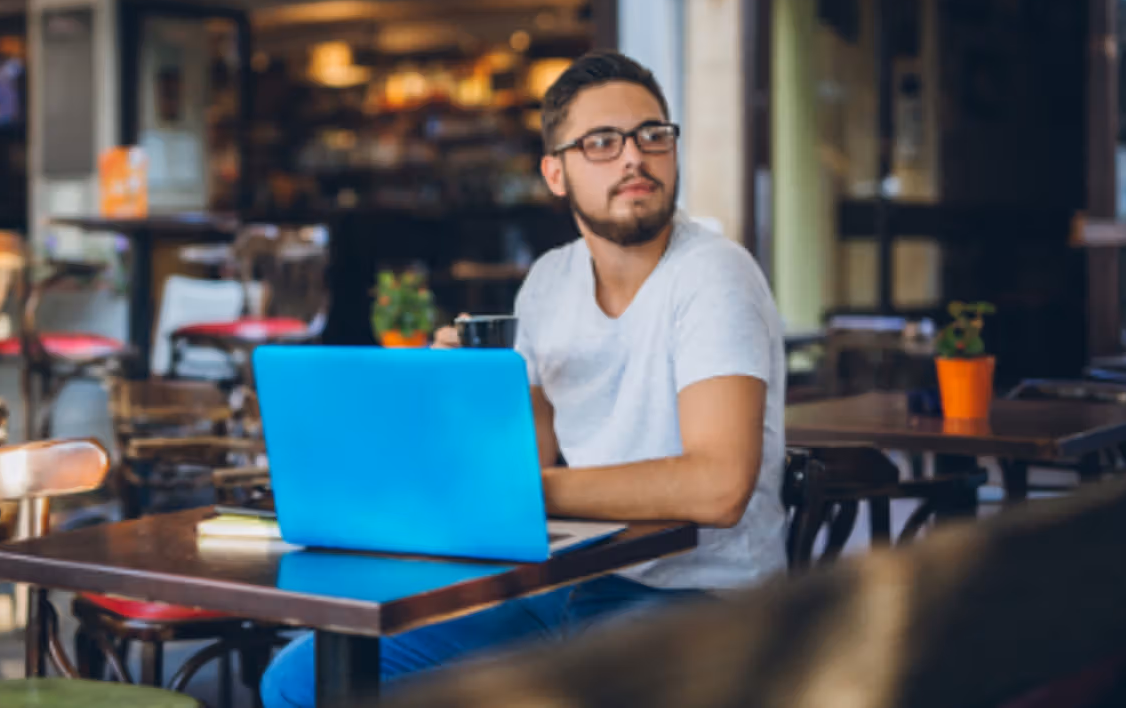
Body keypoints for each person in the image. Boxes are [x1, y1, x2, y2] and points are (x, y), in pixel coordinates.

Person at [260, 51, 786, 708]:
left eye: (653, 135)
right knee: (297, 679)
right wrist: (462, 396)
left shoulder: (712, 275)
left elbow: (719, 486)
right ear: (555, 173)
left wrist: (528, 490)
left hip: (698, 597)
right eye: (602, 142)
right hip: (562, 586)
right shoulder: (549, 283)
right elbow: (519, 461)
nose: (634, 159)